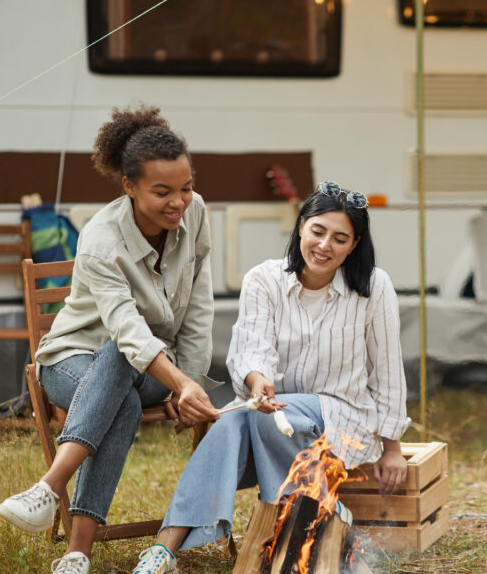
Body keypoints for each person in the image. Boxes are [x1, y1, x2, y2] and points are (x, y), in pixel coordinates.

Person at [128, 181, 411, 574]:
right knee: (231, 421)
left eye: (340, 238)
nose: (325, 245)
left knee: (245, 417)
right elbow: (250, 349)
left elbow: (388, 369)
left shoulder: (374, 288)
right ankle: (165, 551)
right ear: (300, 228)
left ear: (355, 244)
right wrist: (258, 379)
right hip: (272, 414)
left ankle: (320, 517)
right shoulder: (265, 279)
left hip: (342, 423)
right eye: (318, 231)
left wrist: (393, 447)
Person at [0, 106, 220, 574]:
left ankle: (51, 496)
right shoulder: (100, 239)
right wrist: (181, 383)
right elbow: (127, 329)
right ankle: (75, 548)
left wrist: (190, 382)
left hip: (156, 369)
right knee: (122, 368)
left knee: (124, 381)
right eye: (162, 192)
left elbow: (199, 307)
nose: (179, 201)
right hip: (72, 362)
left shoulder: (196, 215)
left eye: (186, 187)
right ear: (129, 187)